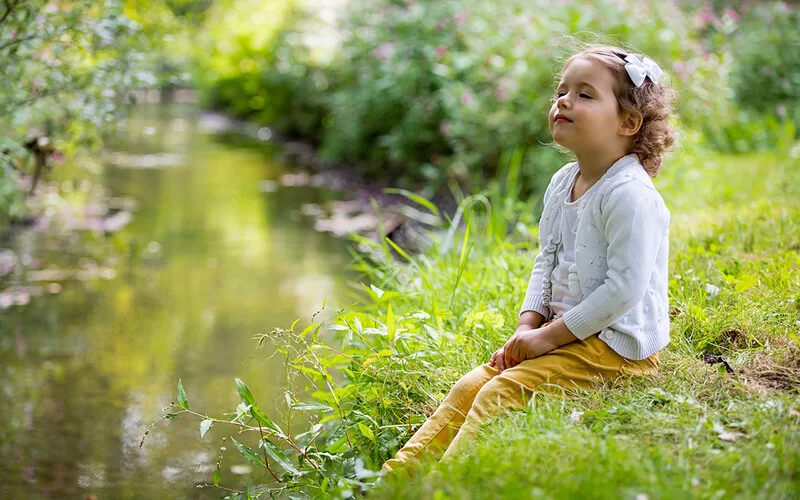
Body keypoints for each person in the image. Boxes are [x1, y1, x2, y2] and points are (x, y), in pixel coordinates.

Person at [381, 44, 677, 476]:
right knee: (472, 385)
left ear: (629, 122)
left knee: (499, 394)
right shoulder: (563, 183)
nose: (563, 100)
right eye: (562, 91)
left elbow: (623, 291)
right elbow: (547, 257)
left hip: (617, 350)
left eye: (585, 94)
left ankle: (447, 485)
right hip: (566, 332)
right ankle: (396, 479)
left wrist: (548, 338)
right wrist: (528, 324)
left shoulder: (629, 194)